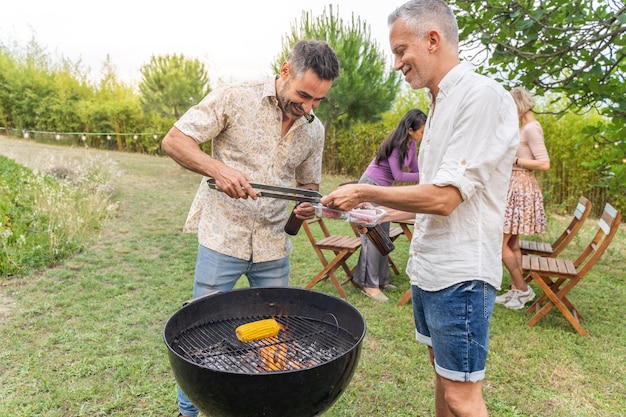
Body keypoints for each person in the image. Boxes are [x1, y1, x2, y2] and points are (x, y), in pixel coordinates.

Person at [320, 1, 519, 416]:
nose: (396, 64)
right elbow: (428, 200)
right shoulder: (439, 103)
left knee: (463, 395)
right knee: (443, 379)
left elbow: (444, 198)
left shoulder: (480, 97)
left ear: (433, 40)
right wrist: (379, 215)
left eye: (400, 50)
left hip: (461, 275)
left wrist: (366, 193)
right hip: (430, 270)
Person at [161, 40, 340, 417]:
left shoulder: (314, 130)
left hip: (274, 244)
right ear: (285, 69)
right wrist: (218, 169)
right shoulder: (234, 97)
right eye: (304, 95)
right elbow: (174, 140)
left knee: (275, 330)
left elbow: (307, 185)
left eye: (318, 101)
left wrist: (307, 204)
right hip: (222, 236)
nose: (308, 108)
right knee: (199, 329)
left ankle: (268, 404)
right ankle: (188, 412)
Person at [353, 108, 427, 302]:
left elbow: (416, 170)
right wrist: (427, 176)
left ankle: (382, 280)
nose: (424, 135)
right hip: (370, 187)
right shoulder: (397, 144)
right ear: (410, 130)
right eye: (422, 132)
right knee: (373, 237)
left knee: (383, 236)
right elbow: (399, 176)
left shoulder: (411, 144)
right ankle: (370, 286)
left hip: (383, 192)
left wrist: (427, 176)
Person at [496, 86, 550, 309]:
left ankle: (522, 289)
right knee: (513, 242)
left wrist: (515, 162)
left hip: (521, 188)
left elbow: (544, 163)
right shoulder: (525, 127)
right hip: (515, 187)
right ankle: (515, 291)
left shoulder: (531, 129)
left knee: (498, 243)